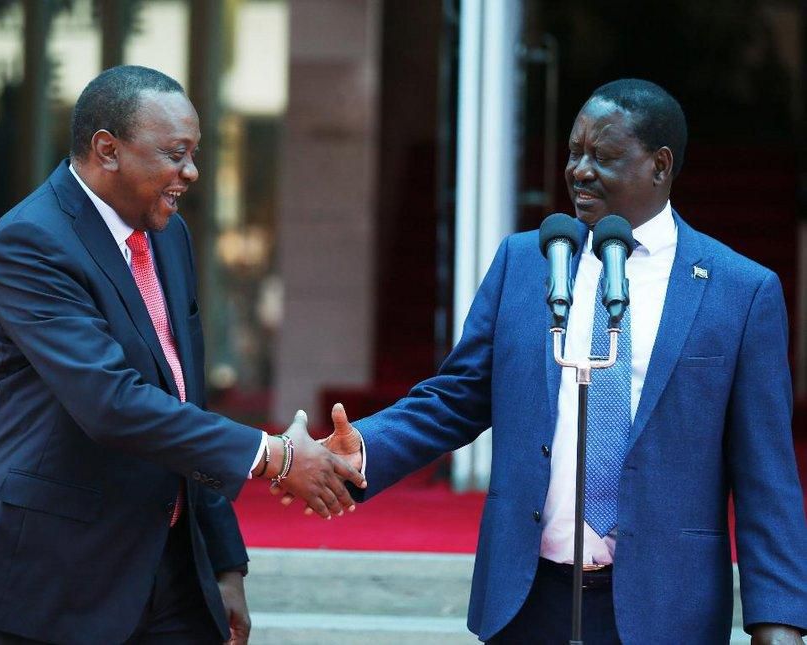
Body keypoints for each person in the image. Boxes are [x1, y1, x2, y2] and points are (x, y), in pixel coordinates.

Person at [308, 79, 807, 643]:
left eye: (604, 156)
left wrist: (779, 620)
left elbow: (768, 475)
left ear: (660, 167)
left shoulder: (739, 291)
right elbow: (458, 397)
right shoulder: (527, 262)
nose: (580, 171)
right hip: (528, 600)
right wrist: (366, 446)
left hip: (667, 608)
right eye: (574, 153)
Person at [0, 65, 364, 645]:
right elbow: (111, 402)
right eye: (175, 154)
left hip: (169, 574)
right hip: (54, 577)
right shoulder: (32, 241)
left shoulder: (169, 234)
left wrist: (224, 564)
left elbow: (184, 398)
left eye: (193, 154)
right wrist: (275, 456)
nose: (190, 172)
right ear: (107, 150)